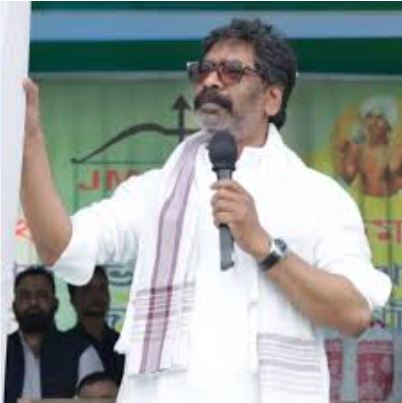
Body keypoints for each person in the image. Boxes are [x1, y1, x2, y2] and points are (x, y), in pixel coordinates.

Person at [21, 18, 392, 403]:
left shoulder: (319, 198)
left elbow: (354, 314)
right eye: (204, 70)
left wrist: (265, 247)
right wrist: (30, 141)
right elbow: (60, 247)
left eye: (232, 71)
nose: (211, 81)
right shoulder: (157, 192)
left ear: (272, 98)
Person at [5, 266, 104, 403]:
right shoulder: (4, 350)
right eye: (25, 296)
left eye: (42, 295)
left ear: (55, 304)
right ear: (14, 306)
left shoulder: (81, 351)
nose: (33, 302)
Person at [66, 265, 125, 384]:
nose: (97, 295)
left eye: (102, 288)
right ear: (73, 298)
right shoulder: (64, 347)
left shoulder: (122, 345)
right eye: (87, 289)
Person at [336, 95, 402, 196]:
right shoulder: (357, 150)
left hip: (391, 202)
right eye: (369, 117)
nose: (373, 122)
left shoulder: (397, 152)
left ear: (389, 124)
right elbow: (346, 179)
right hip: (364, 202)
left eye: (380, 117)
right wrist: (347, 154)